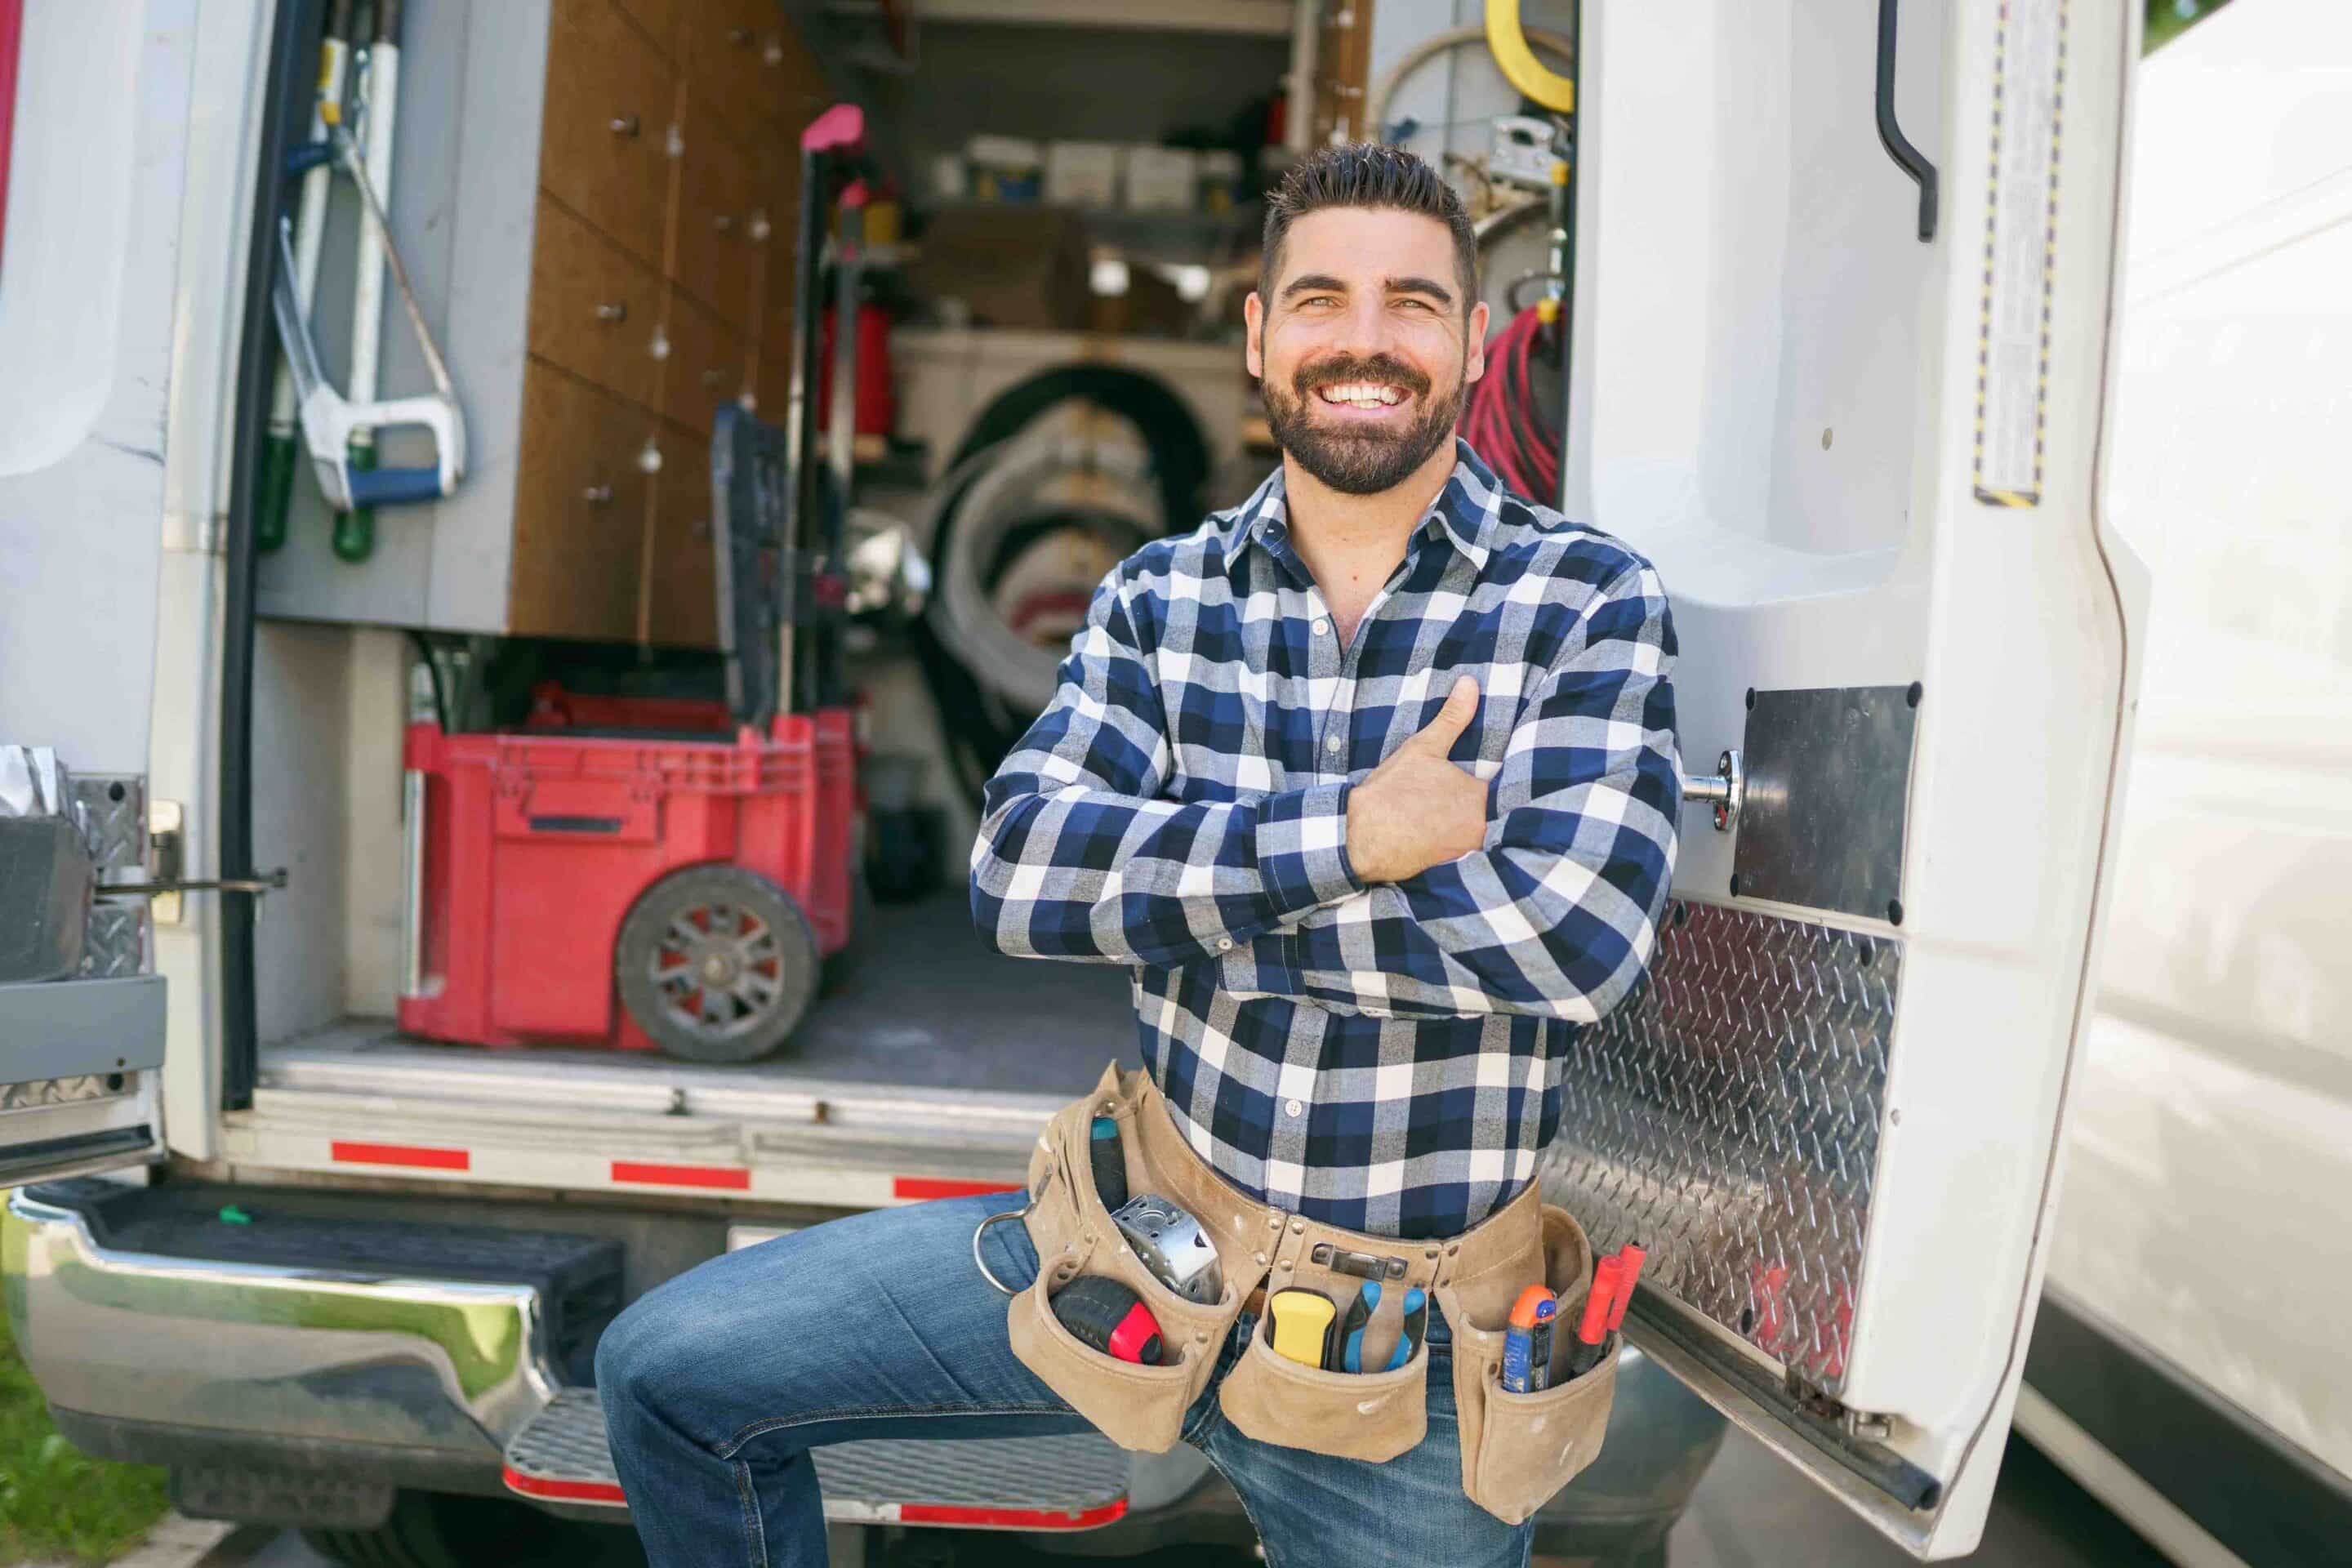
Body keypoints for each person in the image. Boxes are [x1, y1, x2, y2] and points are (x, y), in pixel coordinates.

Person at [598, 142, 1680, 1568]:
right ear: (1259, 335)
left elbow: (1576, 946)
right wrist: (1357, 840)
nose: (1365, 340)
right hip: (1130, 1260)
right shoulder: (1160, 599)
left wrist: (1181, 897)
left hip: (1409, 1360)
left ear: (1475, 340)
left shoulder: (1586, 600)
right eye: (1321, 300)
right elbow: (1026, 874)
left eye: (1414, 304)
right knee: (668, 1376)